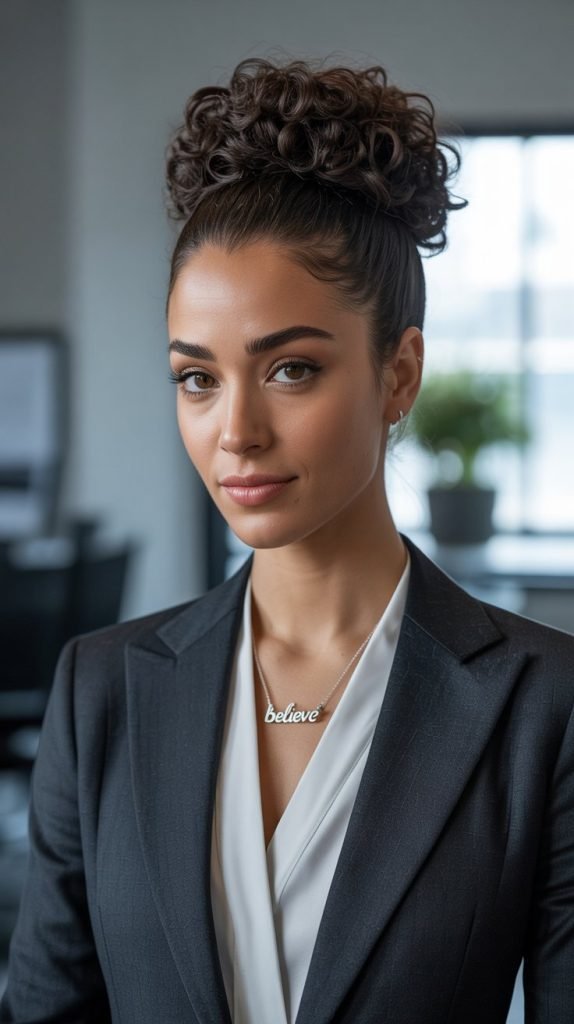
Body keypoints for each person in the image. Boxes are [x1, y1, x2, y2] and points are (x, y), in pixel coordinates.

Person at [1, 54, 573, 1024]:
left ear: (398, 374)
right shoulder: (102, 693)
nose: (235, 432)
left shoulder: (542, 707)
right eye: (197, 377)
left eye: (292, 369)